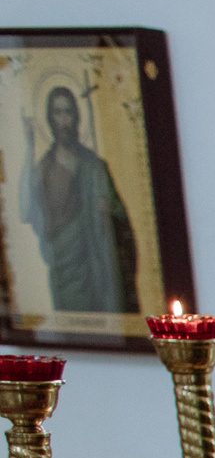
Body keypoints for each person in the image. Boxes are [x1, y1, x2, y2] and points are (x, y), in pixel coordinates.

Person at [21, 84, 139, 317]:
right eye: (57, 113)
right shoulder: (44, 169)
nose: (64, 121)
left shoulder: (94, 166)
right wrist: (29, 147)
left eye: (68, 113)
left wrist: (109, 211)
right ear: (50, 119)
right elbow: (25, 210)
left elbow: (122, 218)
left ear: (76, 117)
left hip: (99, 272)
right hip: (66, 275)